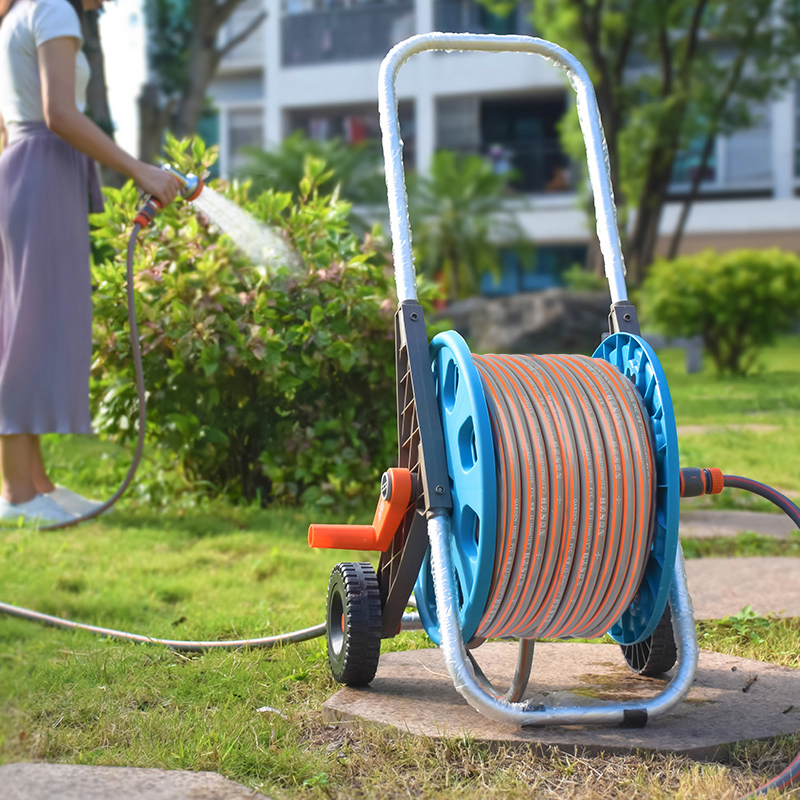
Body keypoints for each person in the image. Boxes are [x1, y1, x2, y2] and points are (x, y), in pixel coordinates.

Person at [0, 0, 181, 524]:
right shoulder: (53, 9)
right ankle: (16, 492)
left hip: (23, 173)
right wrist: (139, 170)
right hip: (41, 172)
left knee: (26, 327)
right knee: (28, 335)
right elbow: (60, 113)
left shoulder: (17, 12)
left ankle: (36, 485)